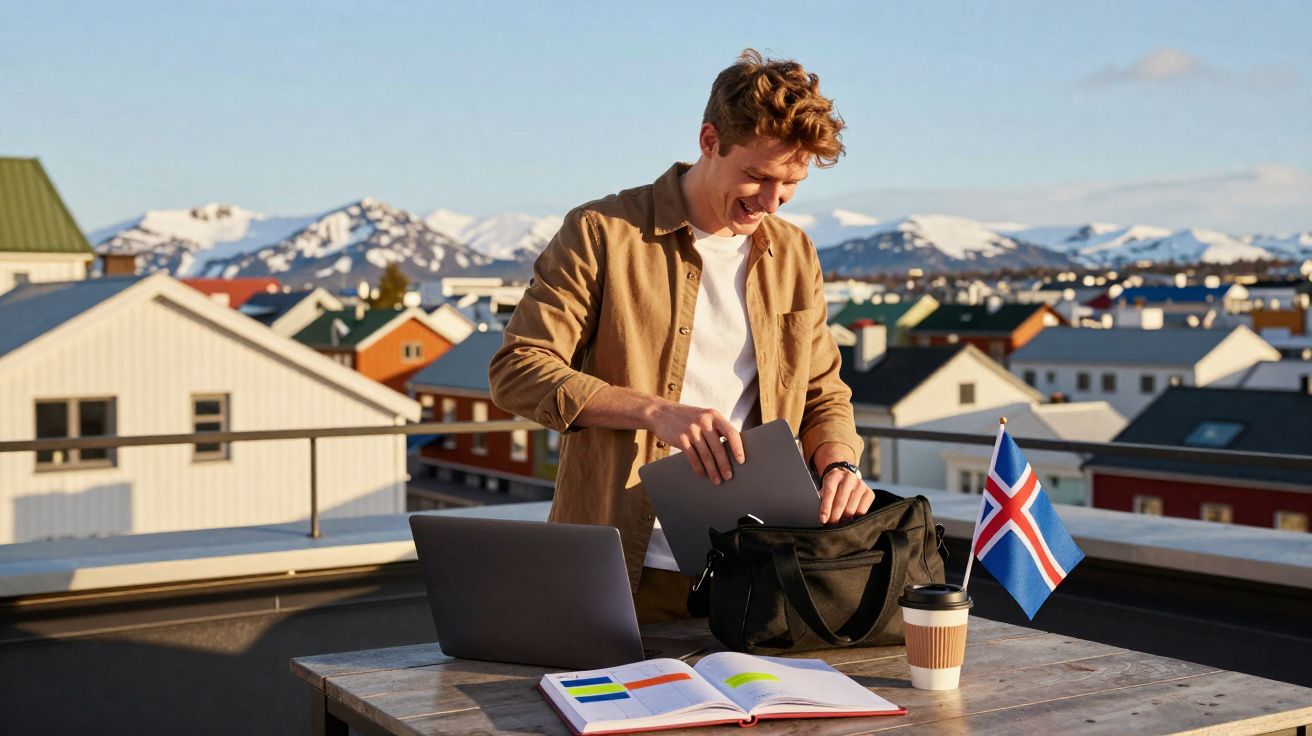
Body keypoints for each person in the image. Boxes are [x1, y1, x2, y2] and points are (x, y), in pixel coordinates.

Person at [488, 49, 873, 623]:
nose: (769, 203)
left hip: (759, 572)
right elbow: (518, 371)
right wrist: (655, 412)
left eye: (789, 184)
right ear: (709, 139)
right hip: (623, 569)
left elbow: (822, 391)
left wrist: (839, 463)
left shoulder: (795, 253)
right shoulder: (603, 233)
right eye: (758, 176)